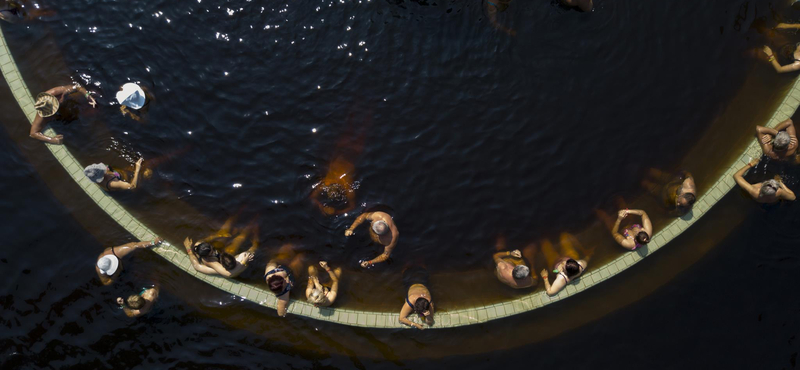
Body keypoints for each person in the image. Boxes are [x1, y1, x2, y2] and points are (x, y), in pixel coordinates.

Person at [29, 84, 96, 144]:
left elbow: (78, 86)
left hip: (69, 104)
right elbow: (33, 133)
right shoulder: (42, 115)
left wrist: (87, 96)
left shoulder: (56, 92)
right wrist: (52, 140)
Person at [96, 238, 163, 285]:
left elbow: (134, 245)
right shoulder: (100, 268)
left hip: (118, 257)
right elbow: (106, 282)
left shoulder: (117, 252)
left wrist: (153, 242)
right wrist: (115, 276)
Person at [184, 238, 255, 278]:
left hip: (222, 260)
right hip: (231, 268)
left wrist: (189, 247)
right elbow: (228, 274)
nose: (214, 250)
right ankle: (255, 246)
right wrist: (244, 262)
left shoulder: (199, 244)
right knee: (246, 254)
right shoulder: (211, 262)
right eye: (212, 251)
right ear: (208, 255)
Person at [264, 244, 303, 317]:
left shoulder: (270, 272)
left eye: (283, 279)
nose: (286, 280)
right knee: (301, 257)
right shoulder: (284, 295)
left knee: (287, 246)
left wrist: (279, 260)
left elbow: (272, 262)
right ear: (282, 289)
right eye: (285, 283)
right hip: (293, 272)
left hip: (283, 266)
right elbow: (280, 313)